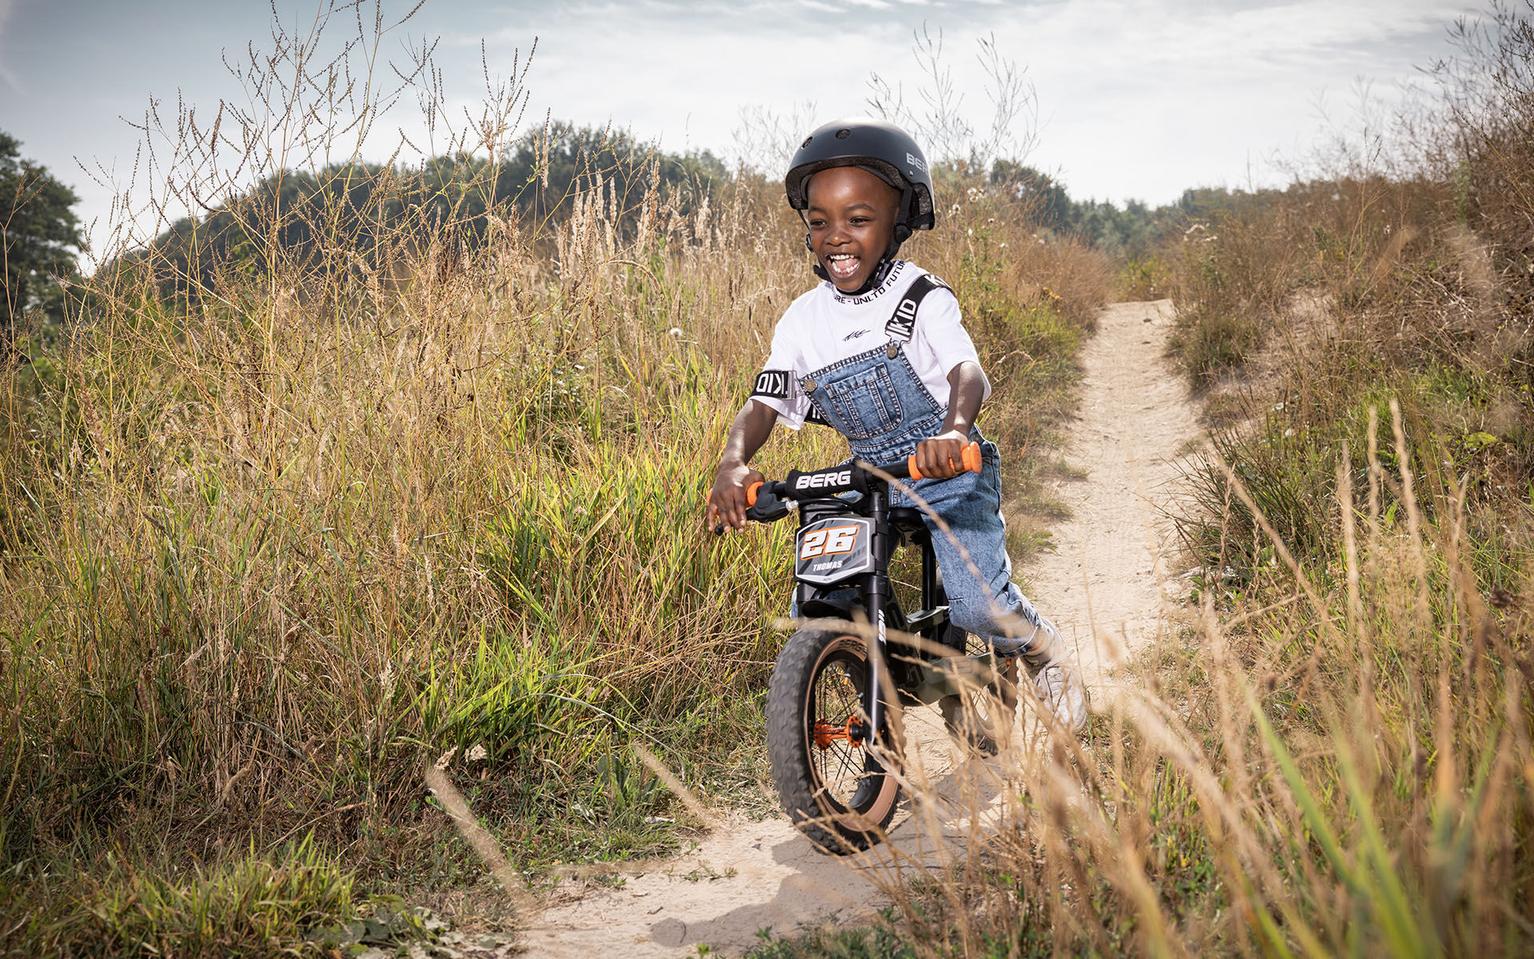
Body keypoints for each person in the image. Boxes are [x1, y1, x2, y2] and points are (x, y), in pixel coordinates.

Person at [706, 118, 1087, 736]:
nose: (837, 236)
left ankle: (1041, 651)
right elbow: (765, 400)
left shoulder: (920, 296)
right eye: (820, 222)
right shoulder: (802, 321)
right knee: (824, 590)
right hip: (865, 473)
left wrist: (956, 430)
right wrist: (733, 462)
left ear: (897, 220)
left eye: (858, 219)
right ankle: (873, 682)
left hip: (946, 467)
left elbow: (967, 372)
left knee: (979, 605)